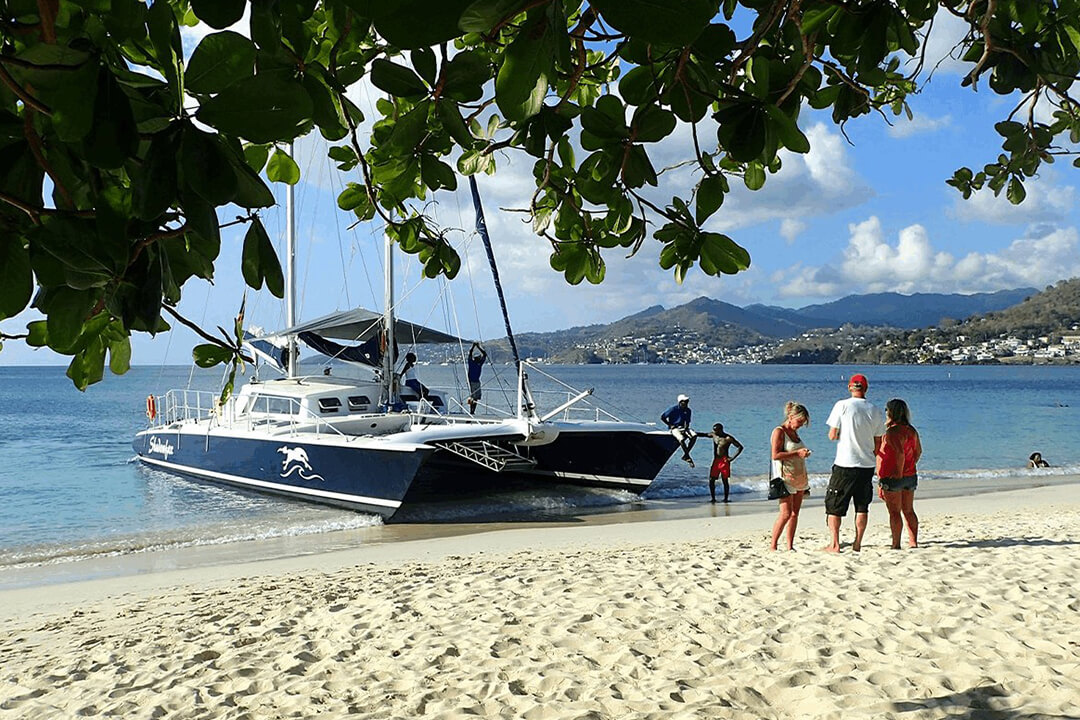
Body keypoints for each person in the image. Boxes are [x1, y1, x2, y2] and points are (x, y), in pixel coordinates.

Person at [823, 373, 884, 553]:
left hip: (845, 462)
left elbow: (832, 435)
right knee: (862, 505)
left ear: (850, 387)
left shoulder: (842, 405)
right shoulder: (874, 410)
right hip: (866, 464)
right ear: (866, 389)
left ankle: (835, 544)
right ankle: (857, 542)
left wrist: (846, 436)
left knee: (834, 505)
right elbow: (878, 441)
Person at [876, 398, 922, 549]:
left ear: (891, 412)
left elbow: (899, 453)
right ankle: (913, 541)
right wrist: (911, 465)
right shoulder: (911, 430)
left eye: (887, 410)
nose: (885, 413)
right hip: (910, 475)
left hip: (894, 476)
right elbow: (918, 451)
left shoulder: (892, 432)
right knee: (908, 510)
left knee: (894, 512)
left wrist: (897, 472)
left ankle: (896, 544)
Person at [769, 402, 812, 551]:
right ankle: (773, 545)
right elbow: (775, 455)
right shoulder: (779, 431)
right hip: (785, 477)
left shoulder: (795, 433)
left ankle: (790, 546)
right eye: (799, 421)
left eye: (803, 423)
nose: (800, 425)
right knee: (786, 513)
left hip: (799, 476)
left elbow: (795, 452)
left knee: (794, 514)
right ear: (790, 416)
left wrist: (803, 453)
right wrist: (797, 453)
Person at [706, 423, 743, 503]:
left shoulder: (728, 438)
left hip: (724, 461)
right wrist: (693, 433)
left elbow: (740, 447)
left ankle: (726, 498)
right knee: (711, 479)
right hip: (716, 460)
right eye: (714, 430)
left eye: (716, 431)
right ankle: (713, 498)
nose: (714, 432)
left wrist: (732, 458)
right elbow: (704, 435)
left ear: (721, 430)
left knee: (724, 480)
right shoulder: (714, 435)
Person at [661, 394, 697, 467]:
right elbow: (663, 417)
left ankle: (686, 455)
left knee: (694, 436)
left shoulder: (688, 410)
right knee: (681, 439)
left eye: (687, 401)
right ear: (680, 402)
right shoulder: (673, 409)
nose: (687, 403)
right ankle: (687, 456)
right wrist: (670, 425)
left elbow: (687, 422)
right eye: (685, 401)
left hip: (683, 427)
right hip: (674, 428)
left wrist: (686, 428)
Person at [466, 342, 487, 414]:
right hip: (472, 381)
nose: (480, 358)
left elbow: (484, 354)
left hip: (477, 381)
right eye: (479, 357)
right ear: (476, 358)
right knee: (473, 397)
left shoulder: (479, 363)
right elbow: (470, 353)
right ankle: (471, 411)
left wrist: (477, 347)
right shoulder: (471, 362)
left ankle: (473, 411)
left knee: (476, 397)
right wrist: (474, 346)